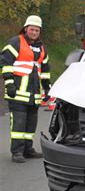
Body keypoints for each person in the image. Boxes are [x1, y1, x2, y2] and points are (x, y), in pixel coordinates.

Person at [1, 15, 51, 163]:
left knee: (30, 124)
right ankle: (16, 152)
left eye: (36, 30)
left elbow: (45, 69)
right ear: (25, 29)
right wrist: (9, 83)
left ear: (39, 32)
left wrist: (47, 88)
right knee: (18, 124)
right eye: (31, 29)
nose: (34, 32)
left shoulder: (41, 47)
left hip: (34, 95)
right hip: (17, 93)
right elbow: (5, 62)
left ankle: (28, 149)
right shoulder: (16, 42)